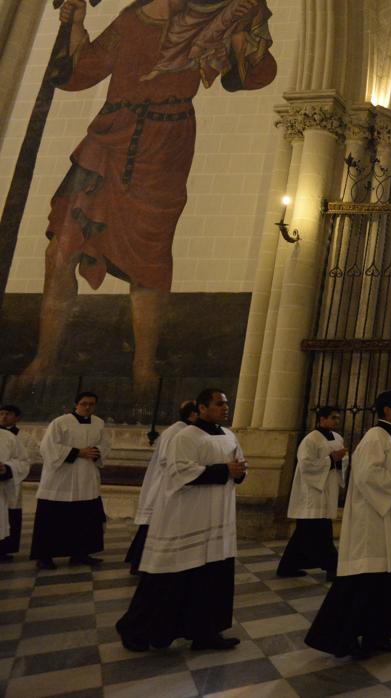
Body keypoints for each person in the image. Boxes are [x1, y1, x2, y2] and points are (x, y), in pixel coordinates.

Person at [20, 0, 276, 394]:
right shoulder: (130, 19)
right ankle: (45, 358)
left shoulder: (213, 17)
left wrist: (245, 34)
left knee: (149, 261)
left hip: (164, 145)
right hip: (107, 136)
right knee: (61, 248)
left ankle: (143, 369)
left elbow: (250, 75)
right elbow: (80, 73)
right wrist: (76, 23)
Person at [115, 388, 246, 652]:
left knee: (211, 579)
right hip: (187, 518)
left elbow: (239, 464)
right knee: (170, 579)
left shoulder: (229, 435)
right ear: (202, 408)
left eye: (226, 404)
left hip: (218, 519)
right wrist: (224, 470)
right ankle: (135, 628)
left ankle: (205, 633)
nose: (225, 408)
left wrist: (239, 471)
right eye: (219, 404)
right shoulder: (186, 436)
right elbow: (178, 471)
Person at [305, 390, 391, 658]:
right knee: (367, 580)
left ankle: (377, 634)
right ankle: (344, 638)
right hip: (374, 521)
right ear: (386, 410)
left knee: (387, 580)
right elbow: (367, 475)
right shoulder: (373, 437)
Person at [32, 391, 111, 569]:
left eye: (91, 404)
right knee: (53, 519)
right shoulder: (60, 422)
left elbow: (105, 444)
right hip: (61, 479)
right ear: (76, 404)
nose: (88, 407)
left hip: (86, 478)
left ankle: (80, 553)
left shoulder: (99, 423)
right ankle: (44, 557)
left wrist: (95, 451)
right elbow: (47, 447)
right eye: (84, 403)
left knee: (84, 518)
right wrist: (77, 452)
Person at [126, 399, 197, 575]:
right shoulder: (176, 431)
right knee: (153, 525)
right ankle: (140, 564)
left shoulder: (185, 430)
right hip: (165, 485)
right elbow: (166, 458)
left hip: (173, 484)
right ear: (193, 415)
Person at [278, 406, 348, 579]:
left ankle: (287, 567)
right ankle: (332, 567)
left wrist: (340, 459)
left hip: (327, 490)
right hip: (312, 493)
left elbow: (343, 460)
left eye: (338, 418)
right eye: (333, 417)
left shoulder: (338, 438)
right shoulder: (311, 439)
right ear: (321, 419)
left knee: (304, 534)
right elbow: (306, 465)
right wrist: (331, 459)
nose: (336, 421)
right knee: (321, 532)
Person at [0, 405, 31, 562]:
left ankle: (5, 549)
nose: (4, 417)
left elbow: (25, 460)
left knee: (9, 515)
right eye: (2, 414)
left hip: (11, 483)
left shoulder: (23, 437)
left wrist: (7, 469)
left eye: (8, 414)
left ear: (17, 417)